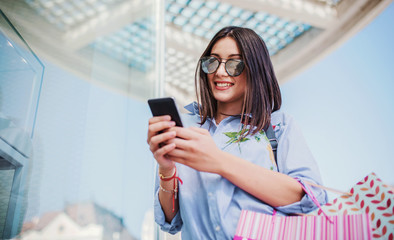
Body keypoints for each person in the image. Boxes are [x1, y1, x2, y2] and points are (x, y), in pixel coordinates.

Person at [147, 26, 327, 239]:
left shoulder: (279, 126)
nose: (220, 72)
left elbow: (309, 197)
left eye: (234, 63)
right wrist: (166, 169)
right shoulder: (188, 130)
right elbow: (172, 221)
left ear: (255, 69)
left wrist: (218, 161)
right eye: (213, 61)